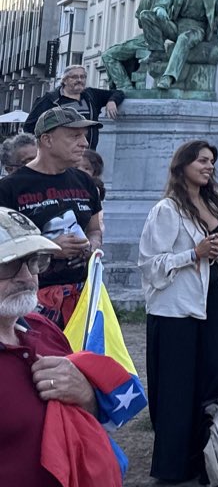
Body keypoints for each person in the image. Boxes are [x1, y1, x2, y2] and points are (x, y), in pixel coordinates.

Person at [0, 206, 125, 487]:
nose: (27, 277)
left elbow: (88, 420)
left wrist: (86, 395)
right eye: (7, 264)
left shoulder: (45, 330)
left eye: (34, 261)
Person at [139, 140, 218, 483]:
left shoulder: (215, 203)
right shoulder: (167, 209)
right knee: (177, 387)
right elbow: (150, 264)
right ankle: (171, 467)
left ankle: (204, 455)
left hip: (209, 299)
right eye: (202, 161)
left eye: (212, 161)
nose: (209, 166)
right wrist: (192, 254)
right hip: (174, 309)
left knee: (214, 374)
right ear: (183, 166)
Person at [0, 106, 102, 328]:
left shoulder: (84, 182)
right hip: (29, 296)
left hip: (81, 294)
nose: (84, 143)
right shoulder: (10, 188)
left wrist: (91, 246)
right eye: (74, 136)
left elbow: (94, 229)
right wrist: (50, 248)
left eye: (84, 136)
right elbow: (3, 247)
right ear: (47, 140)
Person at [24, 67, 122, 151]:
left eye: (82, 77)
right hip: (61, 156)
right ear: (65, 80)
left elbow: (119, 93)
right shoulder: (50, 99)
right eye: (74, 77)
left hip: (87, 153)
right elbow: (29, 127)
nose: (79, 80)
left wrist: (112, 101)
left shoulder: (91, 95)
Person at [101, 0, 172, 90]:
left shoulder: (149, 0)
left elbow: (140, 23)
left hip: (147, 40)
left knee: (107, 55)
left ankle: (124, 86)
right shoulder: (174, 2)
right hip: (163, 41)